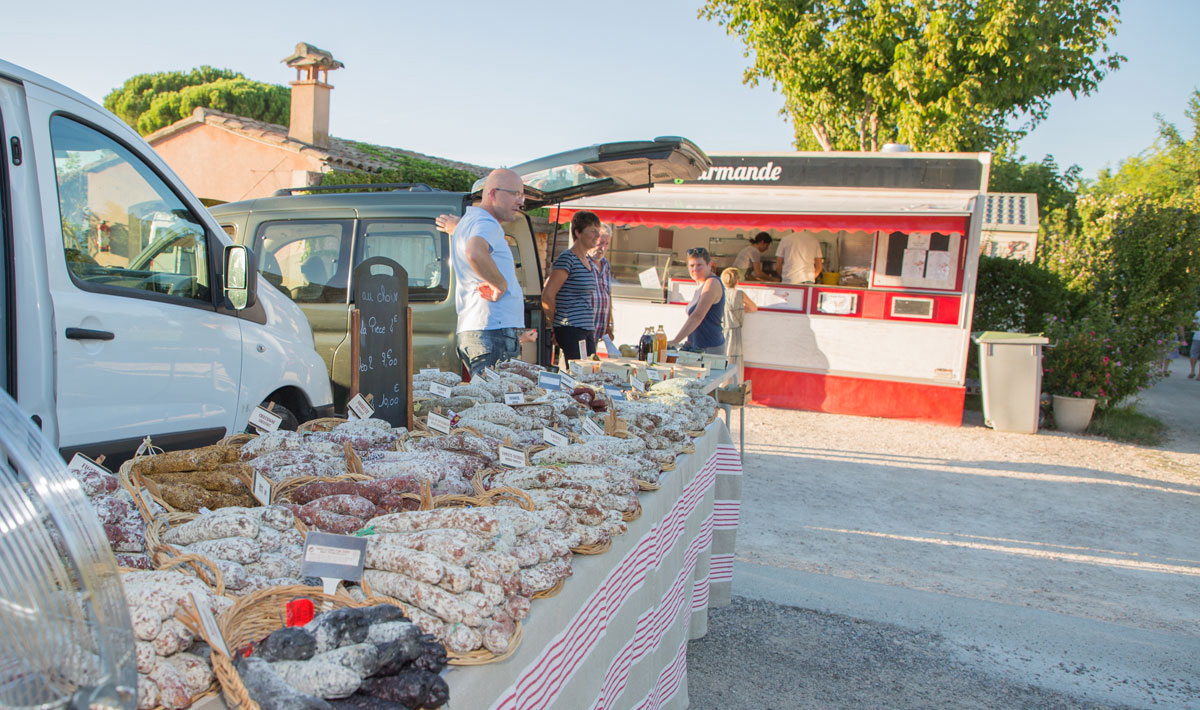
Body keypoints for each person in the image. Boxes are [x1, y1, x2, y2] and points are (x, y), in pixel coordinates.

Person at [448, 168, 531, 376]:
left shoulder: (472, 222)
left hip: (480, 330)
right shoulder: (487, 223)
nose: (520, 202)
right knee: (496, 395)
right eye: (515, 194)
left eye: (522, 195)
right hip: (493, 331)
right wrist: (500, 285)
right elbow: (475, 251)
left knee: (486, 394)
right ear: (493, 193)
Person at [542, 211, 602, 362]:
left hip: (587, 327)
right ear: (578, 232)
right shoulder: (567, 259)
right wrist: (555, 324)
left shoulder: (589, 261)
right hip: (571, 327)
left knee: (590, 371)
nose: (597, 235)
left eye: (598, 231)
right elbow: (548, 295)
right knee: (579, 372)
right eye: (593, 231)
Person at [668, 247, 725, 354]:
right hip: (695, 346)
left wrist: (675, 341)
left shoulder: (712, 283)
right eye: (692, 265)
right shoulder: (701, 284)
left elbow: (697, 316)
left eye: (699, 265)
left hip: (709, 348)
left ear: (709, 265)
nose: (695, 269)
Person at [720, 267, 758, 379]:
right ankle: (733, 383)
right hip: (734, 331)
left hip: (720, 330)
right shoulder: (740, 294)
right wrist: (740, 309)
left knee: (722, 358)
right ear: (737, 280)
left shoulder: (720, 293)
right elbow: (753, 308)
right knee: (734, 360)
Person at [590, 223, 614, 349]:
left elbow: (608, 295)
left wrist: (609, 324)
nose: (603, 248)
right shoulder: (580, 261)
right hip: (580, 330)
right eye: (600, 243)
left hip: (598, 330)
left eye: (606, 244)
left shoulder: (605, 264)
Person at [1188, 305, 1200, 379]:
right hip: (1197, 336)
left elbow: (1193, 324)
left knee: (1193, 354)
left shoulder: (1198, 313)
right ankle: (1199, 375)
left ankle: (1192, 371)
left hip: (1197, 336)